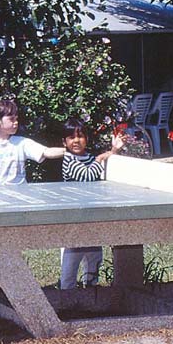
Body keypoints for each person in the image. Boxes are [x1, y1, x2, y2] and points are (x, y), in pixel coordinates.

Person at [59, 118, 125, 289]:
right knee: (72, 259)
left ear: (86, 139)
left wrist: (112, 152)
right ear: (64, 142)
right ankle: (67, 294)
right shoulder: (68, 161)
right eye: (71, 137)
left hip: (91, 217)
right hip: (74, 219)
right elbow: (88, 175)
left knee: (94, 256)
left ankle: (91, 292)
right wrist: (100, 159)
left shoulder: (89, 157)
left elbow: (100, 169)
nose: (76, 141)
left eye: (80, 136)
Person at [0, 99, 65, 185]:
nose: (16, 122)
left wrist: (68, 150)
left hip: (19, 198)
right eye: (11, 119)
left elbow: (47, 152)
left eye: (16, 119)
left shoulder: (22, 143)